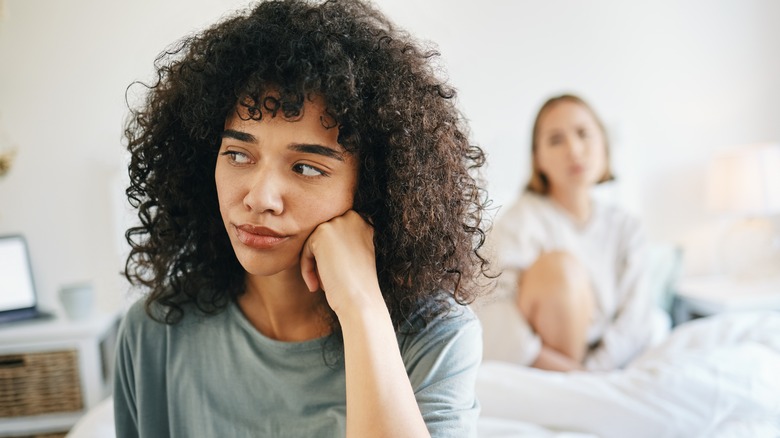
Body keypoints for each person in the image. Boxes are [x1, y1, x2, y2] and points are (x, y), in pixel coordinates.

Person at [115, 1, 491, 436]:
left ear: (375, 185)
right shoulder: (155, 332)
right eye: (238, 154)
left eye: (306, 167)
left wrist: (361, 307)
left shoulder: (435, 334)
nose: (260, 198)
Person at [477, 94, 669, 373]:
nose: (574, 150)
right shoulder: (519, 221)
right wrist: (568, 371)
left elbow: (635, 318)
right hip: (548, 360)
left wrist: (593, 373)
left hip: (603, 363)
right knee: (560, 269)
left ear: (604, 145)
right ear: (538, 159)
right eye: (556, 140)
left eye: (583, 134)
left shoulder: (627, 227)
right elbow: (492, 311)